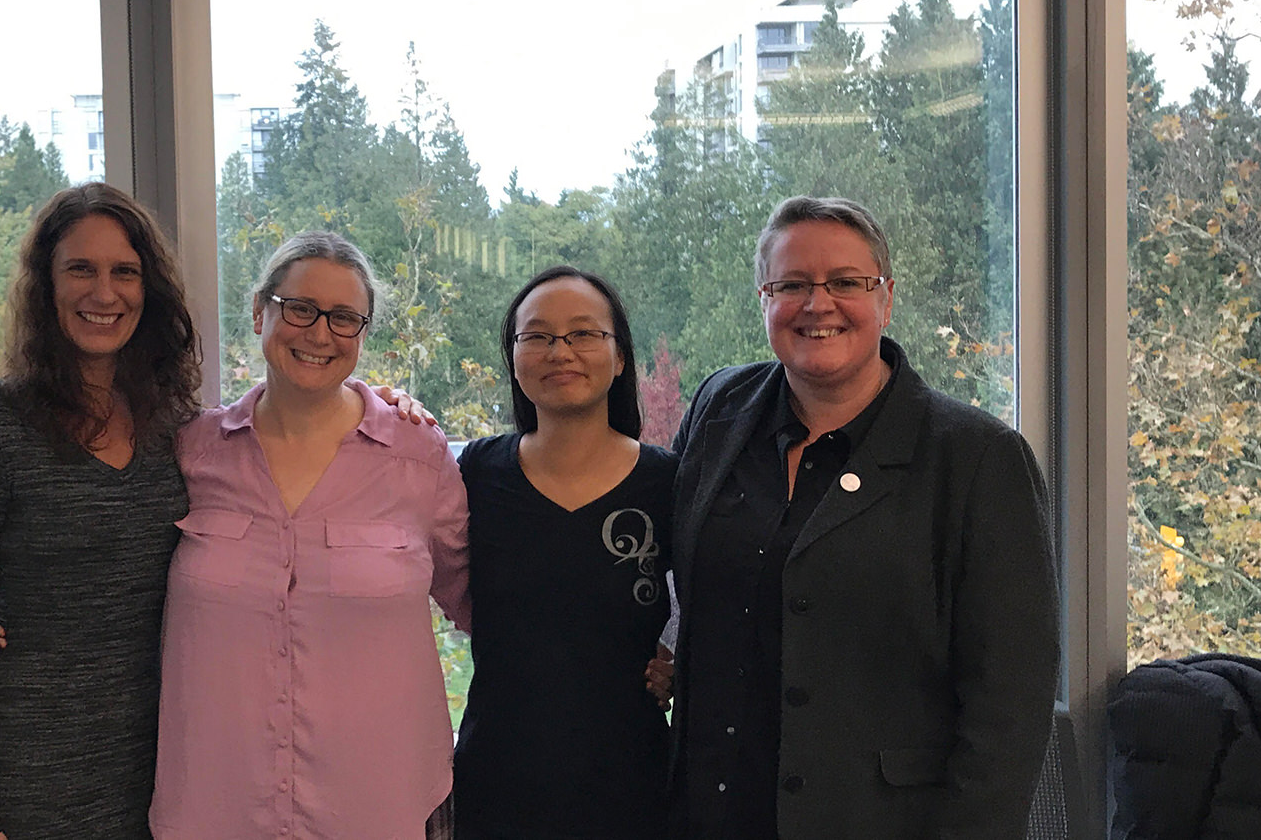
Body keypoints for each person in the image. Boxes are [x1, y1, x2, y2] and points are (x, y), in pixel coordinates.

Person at [667, 196, 1059, 838]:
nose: (817, 305)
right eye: (791, 284)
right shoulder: (720, 407)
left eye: (846, 283)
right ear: (763, 298)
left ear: (886, 296)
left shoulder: (978, 459)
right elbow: (670, 560)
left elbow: (1008, 710)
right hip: (708, 813)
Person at [149, 231, 470, 839]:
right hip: (216, 811)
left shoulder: (417, 456)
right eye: (300, 308)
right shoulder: (190, 451)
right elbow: (112, 560)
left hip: (380, 810)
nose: (320, 333)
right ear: (259, 310)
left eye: (344, 318)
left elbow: (484, 601)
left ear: (362, 333)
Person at [0, 182, 200, 840]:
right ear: (45, 285)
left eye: (124, 271)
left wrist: (374, 401)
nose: (104, 293)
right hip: (29, 789)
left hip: (167, 780)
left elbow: (275, 436)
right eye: (81, 268)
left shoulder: (177, 426)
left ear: (148, 288)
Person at [450, 267, 675, 839]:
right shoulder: (473, 473)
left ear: (620, 356)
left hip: (636, 790)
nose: (560, 351)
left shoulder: (669, 483)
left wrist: (685, 664)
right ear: (514, 355)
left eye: (582, 334)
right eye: (538, 336)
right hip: (497, 787)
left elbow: (724, 599)